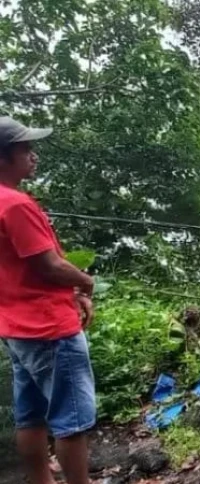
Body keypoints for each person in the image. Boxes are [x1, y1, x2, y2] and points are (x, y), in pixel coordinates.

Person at [0, 116, 96, 484]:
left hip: (15, 327)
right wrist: (85, 283)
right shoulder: (15, 205)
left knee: (31, 415)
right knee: (71, 419)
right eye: (25, 149)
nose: (33, 156)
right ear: (3, 157)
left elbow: (20, 267)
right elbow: (50, 266)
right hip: (49, 328)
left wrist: (69, 290)